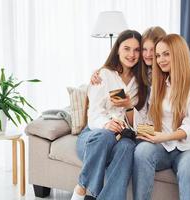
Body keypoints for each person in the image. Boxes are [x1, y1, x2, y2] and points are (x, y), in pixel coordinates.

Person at [132, 34, 190, 200]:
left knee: (188, 167)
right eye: (158, 55)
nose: (160, 59)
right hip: (165, 145)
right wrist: (143, 131)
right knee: (141, 151)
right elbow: (151, 119)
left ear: (178, 53)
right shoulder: (159, 84)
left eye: (166, 54)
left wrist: (163, 137)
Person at [91, 26, 190, 136]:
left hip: (163, 131)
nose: (148, 55)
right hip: (143, 128)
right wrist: (98, 72)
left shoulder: (169, 73)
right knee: (140, 145)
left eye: (153, 50)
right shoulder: (141, 73)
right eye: (144, 49)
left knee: (140, 143)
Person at [71, 30, 143, 200]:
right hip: (95, 136)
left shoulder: (142, 82)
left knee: (127, 147)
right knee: (105, 135)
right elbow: (94, 112)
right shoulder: (104, 75)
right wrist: (106, 124)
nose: (131, 54)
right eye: (127, 48)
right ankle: (82, 187)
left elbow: (142, 121)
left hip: (122, 137)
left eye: (136, 50)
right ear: (117, 49)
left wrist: (128, 106)